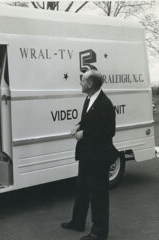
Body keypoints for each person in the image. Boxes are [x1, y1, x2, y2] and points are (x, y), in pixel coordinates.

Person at [61, 70, 118, 240]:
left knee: (98, 194)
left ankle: (99, 232)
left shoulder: (105, 104)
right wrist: (79, 125)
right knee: (83, 190)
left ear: (90, 84)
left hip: (98, 156)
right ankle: (77, 222)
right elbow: (90, 120)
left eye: (82, 80)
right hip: (87, 154)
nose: (80, 83)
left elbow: (109, 131)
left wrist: (84, 134)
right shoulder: (89, 99)